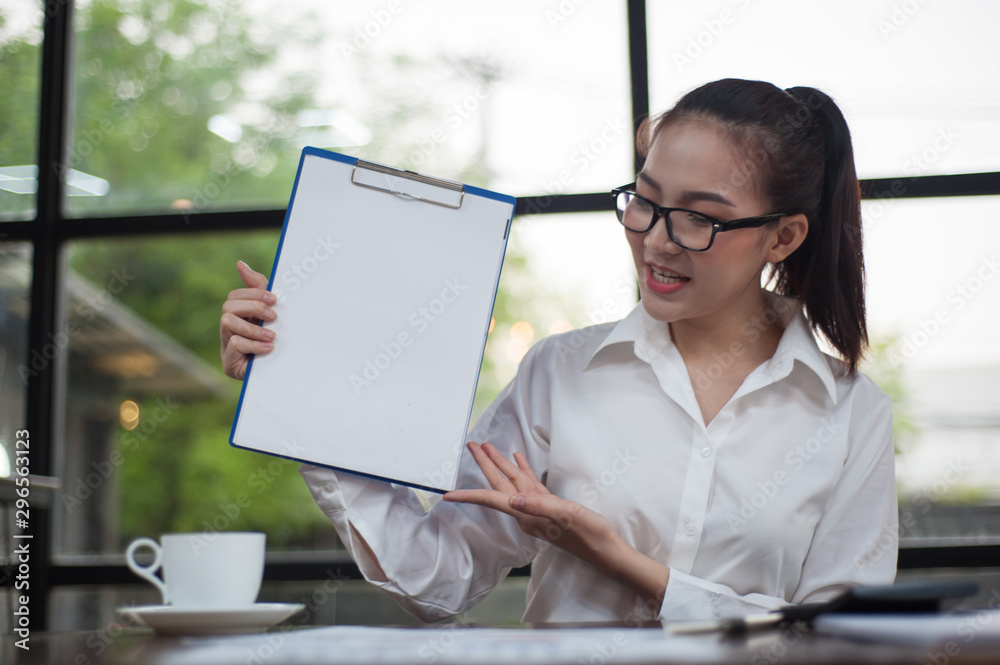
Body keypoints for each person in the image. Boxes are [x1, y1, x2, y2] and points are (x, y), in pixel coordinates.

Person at [219, 78, 897, 625]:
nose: (656, 240)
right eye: (645, 201)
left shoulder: (850, 416)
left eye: (699, 217)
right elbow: (435, 578)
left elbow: (845, 642)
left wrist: (620, 560)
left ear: (783, 237)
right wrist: (302, 391)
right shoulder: (561, 374)